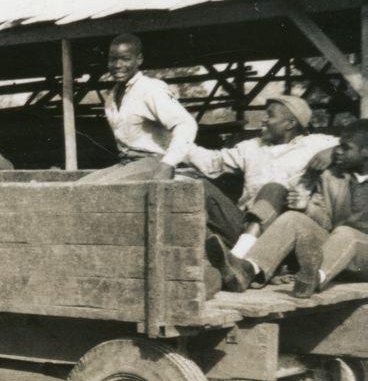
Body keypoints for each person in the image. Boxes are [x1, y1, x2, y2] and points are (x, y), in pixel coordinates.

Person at [207, 119, 368, 298]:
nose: (337, 151)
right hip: (334, 253)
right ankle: (249, 269)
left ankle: (313, 279)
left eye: (346, 147)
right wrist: (307, 208)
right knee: (293, 217)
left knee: (347, 234)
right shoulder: (331, 176)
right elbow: (327, 222)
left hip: (363, 258)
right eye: (338, 145)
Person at [186, 95, 337, 258]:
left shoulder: (315, 143)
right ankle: (237, 254)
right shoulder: (251, 147)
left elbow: (358, 141)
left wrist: (333, 151)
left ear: (290, 124)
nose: (263, 120)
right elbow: (212, 162)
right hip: (244, 226)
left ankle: (238, 258)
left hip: (284, 232)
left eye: (270, 115)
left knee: (274, 188)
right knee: (199, 187)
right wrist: (177, 145)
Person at [79, 34, 198, 185]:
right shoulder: (112, 97)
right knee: (78, 187)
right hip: (127, 163)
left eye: (126, 59)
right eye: (113, 59)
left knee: (95, 191)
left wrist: (168, 164)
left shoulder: (150, 89)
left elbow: (186, 124)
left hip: (154, 161)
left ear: (139, 59)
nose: (118, 65)